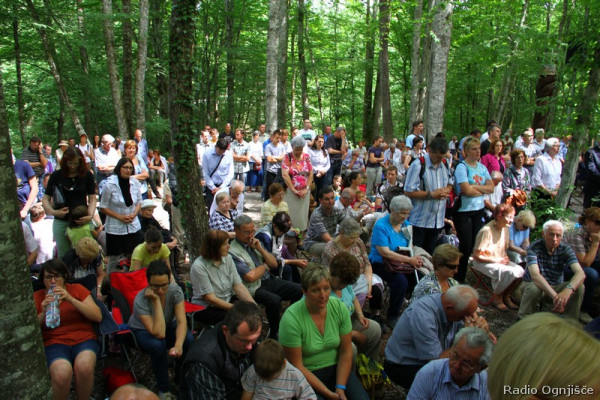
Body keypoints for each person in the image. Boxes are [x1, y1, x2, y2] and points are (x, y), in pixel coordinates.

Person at [279, 264, 370, 400]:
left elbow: (345, 351)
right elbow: (296, 365)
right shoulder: (291, 318)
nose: (323, 295)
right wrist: (329, 394)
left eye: (326, 288)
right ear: (304, 291)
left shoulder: (339, 307)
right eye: (315, 290)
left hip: (336, 368)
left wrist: (340, 388)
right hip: (306, 374)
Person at [384, 285, 491, 390]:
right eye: (466, 315)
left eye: (473, 314)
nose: (468, 319)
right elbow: (437, 364)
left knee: (477, 373)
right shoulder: (424, 316)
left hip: (431, 359)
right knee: (456, 379)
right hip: (403, 365)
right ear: (449, 308)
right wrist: (466, 335)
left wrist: (480, 332)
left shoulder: (456, 309)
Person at [33, 259, 102, 400]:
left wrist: (71, 300)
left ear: (65, 276)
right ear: (42, 279)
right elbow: (31, 331)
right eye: (48, 277)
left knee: (84, 367)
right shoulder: (38, 297)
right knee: (62, 374)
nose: (53, 281)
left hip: (84, 339)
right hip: (54, 343)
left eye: (57, 276)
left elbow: (98, 316)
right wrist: (43, 312)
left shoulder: (76, 290)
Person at [230, 215, 302, 339]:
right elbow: (250, 277)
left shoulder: (256, 243)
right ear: (236, 230)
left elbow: (273, 264)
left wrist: (260, 249)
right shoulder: (232, 251)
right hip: (252, 288)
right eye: (246, 232)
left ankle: (288, 321)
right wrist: (265, 265)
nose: (250, 235)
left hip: (267, 279)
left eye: (252, 231)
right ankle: (275, 332)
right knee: (274, 300)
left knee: (300, 290)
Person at [128, 261, 193, 399]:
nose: (161, 290)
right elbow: (159, 333)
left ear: (169, 280)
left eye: (164, 285)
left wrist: (178, 345)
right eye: (155, 286)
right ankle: (164, 390)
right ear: (148, 283)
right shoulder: (141, 300)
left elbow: (181, 321)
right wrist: (156, 301)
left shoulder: (175, 291)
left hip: (166, 326)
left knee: (187, 339)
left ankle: (180, 379)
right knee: (158, 345)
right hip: (142, 331)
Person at [180, 301, 262, 399]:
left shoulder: (246, 336)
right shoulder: (203, 361)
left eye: (254, 340)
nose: (249, 347)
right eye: (243, 341)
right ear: (226, 331)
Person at [369, 195, 423, 329]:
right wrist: (409, 260)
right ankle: (392, 315)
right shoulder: (381, 226)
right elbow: (384, 252)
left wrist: (415, 258)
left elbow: (411, 246)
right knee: (400, 281)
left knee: (421, 278)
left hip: (402, 261)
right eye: (402, 213)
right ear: (392, 210)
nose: (405, 216)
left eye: (407, 213)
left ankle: (416, 310)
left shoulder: (407, 225)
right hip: (381, 262)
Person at [518, 220, 585, 321]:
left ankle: (569, 321)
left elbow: (580, 273)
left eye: (558, 235)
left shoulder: (565, 249)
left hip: (555, 285)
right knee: (534, 287)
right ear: (543, 234)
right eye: (551, 235)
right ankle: (523, 318)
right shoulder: (534, 248)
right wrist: (556, 297)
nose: (554, 239)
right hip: (532, 285)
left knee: (579, 287)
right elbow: (535, 276)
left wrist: (567, 291)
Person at [322, 217, 384, 325]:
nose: (355, 240)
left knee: (375, 291)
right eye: (351, 238)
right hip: (343, 281)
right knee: (353, 293)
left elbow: (367, 264)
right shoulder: (331, 249)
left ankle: (375, 315)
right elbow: (332, 276)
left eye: (356, 237)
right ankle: (351, 318)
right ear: (341, 233)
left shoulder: (358, 242)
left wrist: (368, 283)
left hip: (361, 276)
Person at [190, 230, 255, 325]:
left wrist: (253, 306)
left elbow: (238, 286)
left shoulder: (228, 258)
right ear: (214, 248)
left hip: (227, 300)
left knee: (250, 313)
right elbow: (210, 299)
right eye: (225, 244)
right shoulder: (199, 266)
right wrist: (236, 309)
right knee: (239, 321)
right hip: (207, 308)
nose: (229, 247)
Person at [407, 327, 492, 400]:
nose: (456, 365)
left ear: (480, 368)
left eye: (466, 364)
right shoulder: (429, 373)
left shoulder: (488, 386)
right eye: (455, 356)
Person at [328, 252, 382, 363]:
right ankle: (348, 375)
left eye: (346, 283)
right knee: (350, 349)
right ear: (332, 272)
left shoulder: (345, 285)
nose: (342, 286)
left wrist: (360, 315)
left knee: (375, 329)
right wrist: (352, 334)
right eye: (341, 282)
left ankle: (367, 363)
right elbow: (324, 324)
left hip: (347, 321)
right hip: (330, 331)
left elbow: (353, 297)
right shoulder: (322, 289)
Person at [453, 137, 495, 282]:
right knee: (465, 245)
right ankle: (458, 277)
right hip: (464, 212)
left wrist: (475, 187)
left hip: (478, 210)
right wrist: (481, 190)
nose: (478, 152)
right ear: (466, 151)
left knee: (473, 245)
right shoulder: (462, 167)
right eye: (474, 149)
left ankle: (464, 273)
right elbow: (465, 190)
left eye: (479, 149)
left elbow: (491, 187)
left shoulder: (482, 167)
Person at [42, 147, 96, 258]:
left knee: (87, 253)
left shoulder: (87, 175)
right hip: (61, 221)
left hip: (81, 220)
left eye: (75, 163)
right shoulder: (56, 176)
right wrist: (54, 212)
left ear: (81, 162)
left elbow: (92, 198)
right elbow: (45, 199)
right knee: (65, 255)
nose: (72, 166)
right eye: (69, 163)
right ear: (64, 162)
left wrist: (90, 216)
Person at [404, 137, 454, 255]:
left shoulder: (445, 164)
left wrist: (446, 190)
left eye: (443, 157)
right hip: (419, 221)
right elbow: (408, 191)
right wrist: (431, 194)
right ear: (430, 151)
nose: (440, 160)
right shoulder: (418, 165)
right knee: (417, 254)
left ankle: (428, 273)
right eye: (438, 157)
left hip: (438, 220)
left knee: (430, 254)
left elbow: (450, 183)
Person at [472, 204, 524, 311]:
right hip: (483, 262)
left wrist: (504, 257)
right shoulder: (486, 231)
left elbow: (503, 248)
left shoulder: (505, 229)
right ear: (500, 216)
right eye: (509, 217)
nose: (512, 220)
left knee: (521, 271)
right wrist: (496, 260)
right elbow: (476, 256)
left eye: (512, 217)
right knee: (508, 272)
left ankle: (506, 296)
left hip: (499, 260)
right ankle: (497, 298)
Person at [98, 157, 144, 273]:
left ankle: (133, 278)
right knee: (114, 258)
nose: (127, 170)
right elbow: (103, 207)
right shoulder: (109, 185)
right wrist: (119, 217)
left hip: (133, 225)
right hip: (115, 227)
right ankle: (111, 282)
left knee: (134, 254)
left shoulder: (135, 183)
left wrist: (134, 215)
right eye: (125, 167)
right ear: (119, 168)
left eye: (130, 168)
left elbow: (139, 201)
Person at [240, 339, 316, 400]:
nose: (265, 379)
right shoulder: (253, 370)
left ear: (283, 364)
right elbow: (247, 394)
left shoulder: (294, 375)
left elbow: (308, 396)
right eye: (261, 376)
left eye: (270, 377)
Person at [563, 207, 600, 322]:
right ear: (588, 221)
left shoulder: (594, 234)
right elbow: (585, 263)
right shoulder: (577, 235)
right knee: (591, 274)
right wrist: (595, 243)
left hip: (582, 266)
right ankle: (583, 310)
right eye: (598, 223)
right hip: (566, 267)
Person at [282, 136, 313, 231]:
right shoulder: (287, 157)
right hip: (291, 192)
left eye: (300, 149)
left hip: (304, 192)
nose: (299, 152)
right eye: (296, 149)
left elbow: (311, 173)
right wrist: (294, 190)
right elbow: (285, 175)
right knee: (291, 213)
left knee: (302, 215)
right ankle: (290, 233)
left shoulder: (307, 157)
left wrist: (307, 188)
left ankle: (302, 235)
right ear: (292, 147)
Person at [304, 187, 346, 257]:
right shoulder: (317, 215)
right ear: (320, 200)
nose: (330, 201)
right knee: (333, 249)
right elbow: (327, 239)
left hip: (330, 240)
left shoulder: (336, 210)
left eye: (332, 198)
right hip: (313, 243)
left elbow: (347, 223)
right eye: (327, 199)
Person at [202, 138, 234, 208]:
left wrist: (221, 188)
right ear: (216, 147)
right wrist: (213, 188)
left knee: (225, 210)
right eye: (219, 151)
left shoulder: (228, 155)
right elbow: (205, 172)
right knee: (212, 210)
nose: (221, 153)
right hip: (211, 188)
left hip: (224, 187)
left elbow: (231, 173)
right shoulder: (207, 154)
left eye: (223, 151)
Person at [14, 153, 39, 220]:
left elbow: (35, 188)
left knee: (26, 228)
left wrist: (25, 210)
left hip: (23, 207)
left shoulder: (23, 165)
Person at [264, 129, 287, 200]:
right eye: (277, 138)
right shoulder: (268, 146)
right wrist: (278, 158)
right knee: (269, 190)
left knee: (278, 190)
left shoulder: (282, 146)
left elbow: (283, 158)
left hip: (279, 171)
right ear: (273, 137)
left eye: (280, 138)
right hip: (270, 171)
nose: (278, 140)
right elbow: (269, 159)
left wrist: (273, 157)